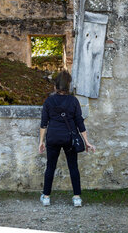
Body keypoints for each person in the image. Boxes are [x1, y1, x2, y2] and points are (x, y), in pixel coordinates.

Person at [38, 71, 95, 207]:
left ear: (55, 86)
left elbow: (44, 123)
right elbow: (79, 122)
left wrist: (41, 142)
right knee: (73, 167)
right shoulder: (73, 101)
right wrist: (87, 142)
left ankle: (46, 197)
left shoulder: (49, 101)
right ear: (68, 86)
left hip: (53, 138)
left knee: (50, 167)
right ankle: (76, 198)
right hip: (69, 138)